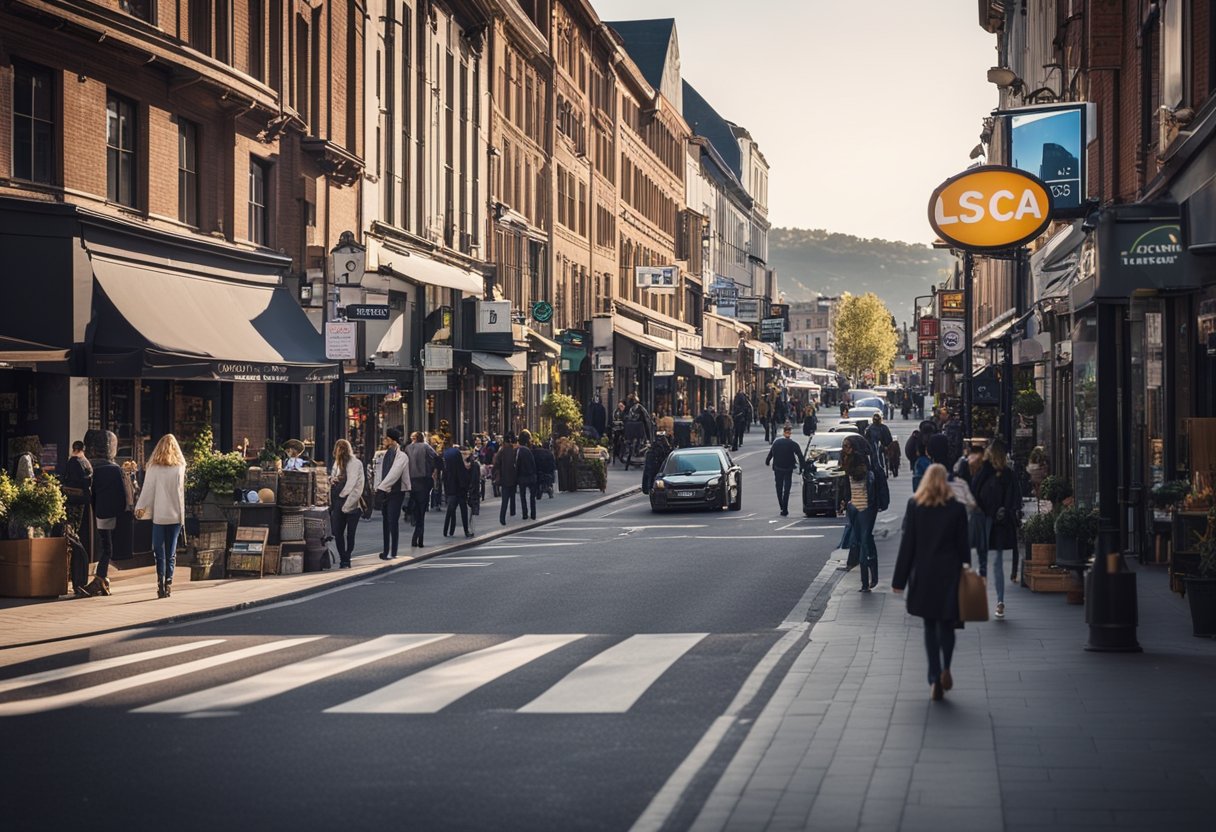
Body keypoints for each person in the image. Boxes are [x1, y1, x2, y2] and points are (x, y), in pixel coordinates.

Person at [891, 463, 972, 701]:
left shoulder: (916, 506)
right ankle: (947, 665)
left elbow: (908, 546)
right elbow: (963, 546)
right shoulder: (956, 509)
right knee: (947, 623)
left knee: (929, 625)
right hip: (950, 573)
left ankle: (934, 675)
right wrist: (967, 569)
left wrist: (899, 580)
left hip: (924, 573)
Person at [134, 434, 186, 599]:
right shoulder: (180, 467)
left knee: (158, 550)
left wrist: (140, 508)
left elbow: (147, 490)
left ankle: (160, 582)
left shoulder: (153, 468)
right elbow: (180, 494)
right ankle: (168, 582)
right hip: (176, 515)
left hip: (160, 516)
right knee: (171, 552)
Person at [979, 440, 1021, 619]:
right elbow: (1016, 499)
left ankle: (986, 596)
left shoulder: (984, 472)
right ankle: (999, 600)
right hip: (1002, 521)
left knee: (986, 559)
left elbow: (975, 494)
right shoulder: (1010, 474)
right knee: (996, 562)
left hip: (987, 520)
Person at [83, 431, 126, 597]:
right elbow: (121, 496)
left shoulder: (86, 467)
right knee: (106, 546)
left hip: (90, 513)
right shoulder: (113, 469)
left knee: (103, 546)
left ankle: (100, 579)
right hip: (105, 513)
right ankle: (101, 578)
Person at [842, 434, 879, 592]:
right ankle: (872, 575)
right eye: (844, 447)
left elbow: (865, 478)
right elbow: (845, 484)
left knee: (864, 541)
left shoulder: (862, 462)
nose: (845, 450)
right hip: (854, 507)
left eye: (847, 447)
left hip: (866, 507)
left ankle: (866, 583)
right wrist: (845, 501)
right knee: (862, 540)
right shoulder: (848, 461)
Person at [374, 428, 410, 559]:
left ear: (392, 440)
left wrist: (381, 488)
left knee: (392, 520)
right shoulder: (383, 454)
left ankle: (393, 551)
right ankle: (385, 550)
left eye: (386, 438)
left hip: (396, 492)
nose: (383, 440)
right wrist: (377, 487)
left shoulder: (402, 456)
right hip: (384, 491)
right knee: (385, 521)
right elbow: (379, 472)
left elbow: (394, 473)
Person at [328, 439, 364, 569]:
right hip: (338, 501)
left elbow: (354, 483)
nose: (339, 451)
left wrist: (344, 495)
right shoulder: (337, 463)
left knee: (350, 533)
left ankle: (347, 556)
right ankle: (343, 557)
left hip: (352, 501)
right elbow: (333, 476)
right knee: (338, 532)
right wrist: (332, 480)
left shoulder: (355, 463)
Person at [405, 431, 439, 548]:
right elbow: (435, 457)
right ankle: (419, 539)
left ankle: (416, 537)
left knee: (417, 510)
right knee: (422, 511)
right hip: (423, 481)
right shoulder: (425, 447)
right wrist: (434, 470)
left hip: (411, 482)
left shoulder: (407, 448)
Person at [765, 423, 805, 517]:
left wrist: (767, 461)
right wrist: (803, 467)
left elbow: (771, 454)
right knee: (787, 489)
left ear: (784, 432)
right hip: (788, 468)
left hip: (778, 468)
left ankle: (782, 506)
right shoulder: (793, 444)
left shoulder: (776, 443)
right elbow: (800, 456)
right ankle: (785, 508)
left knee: (779, 488)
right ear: (790, 433)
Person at [441, 442, 472, 538]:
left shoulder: (448, 467)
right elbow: (465, 479)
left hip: (451, 491)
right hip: (460, 491)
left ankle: (447, 530)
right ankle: (466, 530)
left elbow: (444, 480)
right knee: (463, 511)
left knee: (450, 511)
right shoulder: (460, 467)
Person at [495, 434, 519, 525]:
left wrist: (498, 473)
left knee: (505, 500)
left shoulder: (502, 451)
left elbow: (496, 463)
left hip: (504, 478)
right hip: (513, 477)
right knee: (512, 496)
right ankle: (512, 512)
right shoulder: (514, 450)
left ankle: (502, 517)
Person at [516, 429, 538, 521]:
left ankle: (525, 514)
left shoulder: (519, 451)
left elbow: (517, 465)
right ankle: (533, 514)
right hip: (531, 476)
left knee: (523, 496)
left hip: (522, 476)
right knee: (532, 496)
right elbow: (533, 464)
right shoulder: (529, 450)